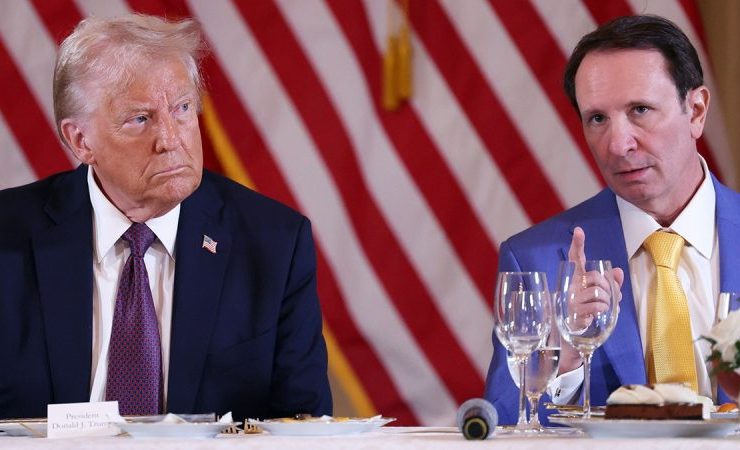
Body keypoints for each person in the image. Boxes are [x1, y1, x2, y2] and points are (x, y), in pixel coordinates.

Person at [0, 14, 331, 421]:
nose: (171, 140)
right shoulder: (8, 236)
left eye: (182, 108)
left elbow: (305, 424)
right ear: (80, 140)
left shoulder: (274, 244)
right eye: (140, 119)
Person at [484, 15, 740, 425]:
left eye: (640, 110)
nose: (618, 145)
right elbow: (499, 426)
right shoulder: (536, 259)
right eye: (598, 119)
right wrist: (562, 353)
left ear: (695, 111)